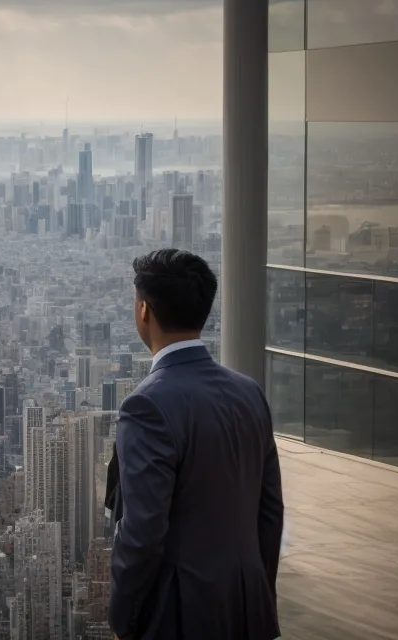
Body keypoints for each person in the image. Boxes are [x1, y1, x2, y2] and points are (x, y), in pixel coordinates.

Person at [107, 249, 282, 639]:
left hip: (179, 616)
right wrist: (257, 593)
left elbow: (143, 532)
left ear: (144, 312)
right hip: (248, 607)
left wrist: (123, 617)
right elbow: (269, 512)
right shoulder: (249, 392)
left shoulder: (147, 405)